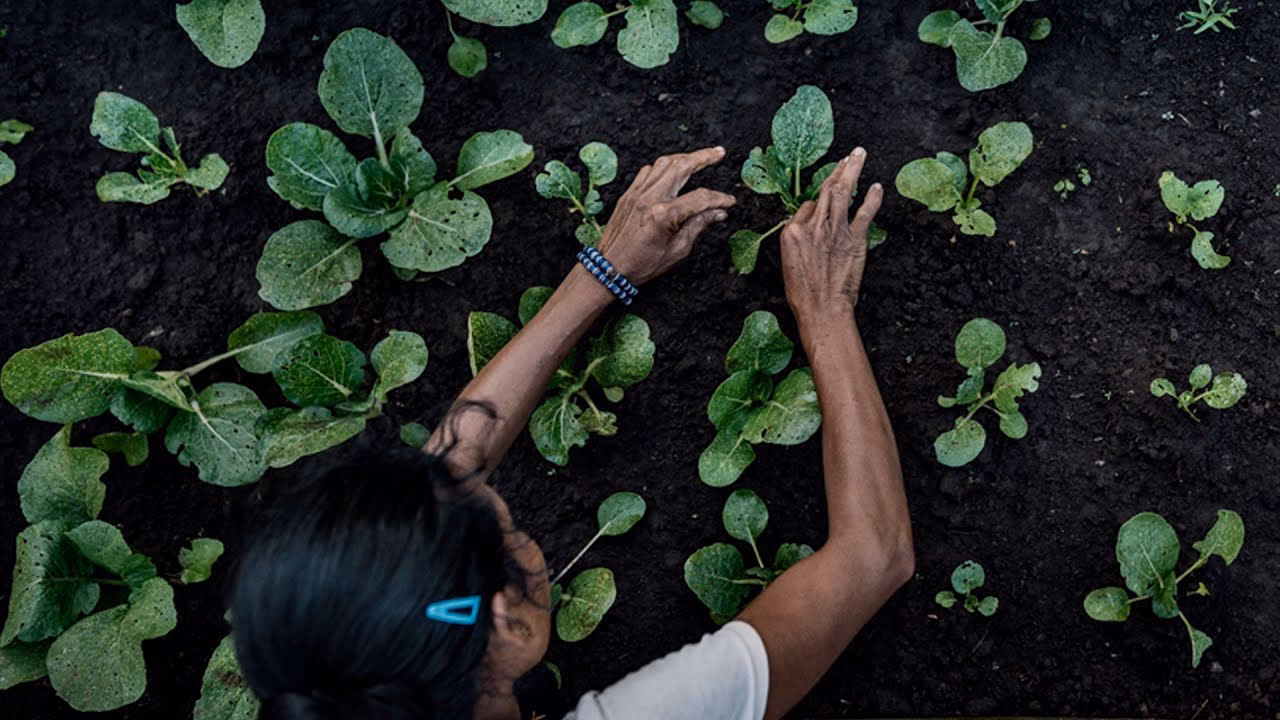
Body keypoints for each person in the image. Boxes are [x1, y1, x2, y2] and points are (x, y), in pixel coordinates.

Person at [229, 145, 914, 720]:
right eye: (500, 525)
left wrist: (604, 271)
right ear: (504, 619)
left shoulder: (319, 681)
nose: (462, 468)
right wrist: (826, 310)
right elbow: (875, 556)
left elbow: (446, 481)